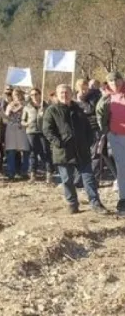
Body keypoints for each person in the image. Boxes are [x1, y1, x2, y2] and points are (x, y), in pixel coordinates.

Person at [44, 84, 107, 215]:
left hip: (81, 150)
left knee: (88, 178)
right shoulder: (52, 110)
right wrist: (58, 142)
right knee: (67, 180)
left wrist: (88, 141)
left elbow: (88, 127)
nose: (64, 95)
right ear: (57, 94)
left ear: (71, 93)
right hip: (63, 151)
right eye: (62, 92)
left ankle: (95, 203)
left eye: (67, 92)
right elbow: (47, 130)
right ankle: (72, 203)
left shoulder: (78, 108)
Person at [97, 71, 125, 216]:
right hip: (115, 136)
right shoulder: (106, 98)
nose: (115, 84)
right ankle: (123, 199)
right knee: (122, 168)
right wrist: (105, 131)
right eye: (112, 82)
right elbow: (100, 115)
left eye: (117, 80)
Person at [22, 88, 52, 183]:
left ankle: (49, 174)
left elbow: (50, 119)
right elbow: (23, 120)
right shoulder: (27, 107)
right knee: (32, 153)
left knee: (45, 152)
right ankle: (32, 175)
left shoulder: (46, 106)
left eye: (36, 94)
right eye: (32, 95)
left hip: (43, 131)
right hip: (31, 131)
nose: (34, 96)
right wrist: (26, 124)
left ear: (40, 94)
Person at [4, 89, 30, 180]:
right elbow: (6, 118)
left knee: (26, 151)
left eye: (18, 94)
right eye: (15, 94)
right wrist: (3, 114)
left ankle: (24, 171)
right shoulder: (10, 105)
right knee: (11, 151)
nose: (17, 96)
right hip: (11, 129)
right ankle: (11, 172)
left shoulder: (27, 104)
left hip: (23, 128)